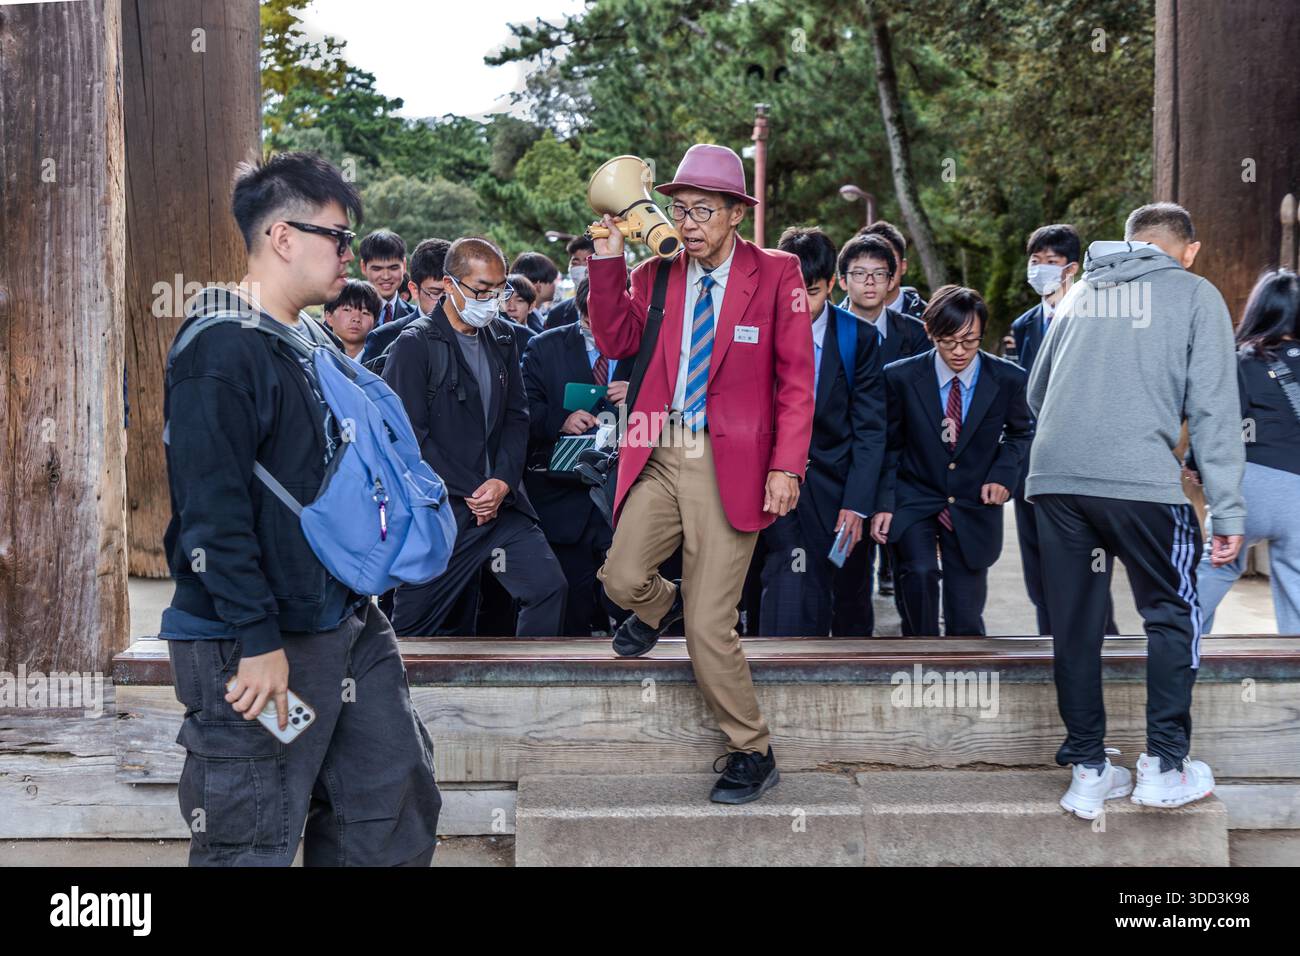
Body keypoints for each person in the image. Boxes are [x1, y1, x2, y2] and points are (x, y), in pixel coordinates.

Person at [159, 151, 441, 866]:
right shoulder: (220, 349)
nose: (351, 255)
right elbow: (210, 514)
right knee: (252, 828)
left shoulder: (308, 339)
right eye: (338, 238)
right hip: (257, 643)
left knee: (388, 801)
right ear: (282, 237)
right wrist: (255, 641)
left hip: (345, 623)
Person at [589, 143, 814, 804]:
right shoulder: (656, 272)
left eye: (703, 211)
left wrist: (786, 465)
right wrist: (608, 260)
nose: (688, 223)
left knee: (711, 628)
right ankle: (660, 604)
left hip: (733, 461)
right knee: (621, 577)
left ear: (735, 214)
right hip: (658, 448)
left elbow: (797, 380)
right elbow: (616, 343)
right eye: (680, 209)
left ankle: (752, 749)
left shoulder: (778, 273)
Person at [1027, 202, 1245, 819]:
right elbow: (1214, 410)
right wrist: (1226, 511)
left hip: (1056, 479)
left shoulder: (1081, 292)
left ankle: (1090, 770)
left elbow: (1037, 389)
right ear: (1188, 250)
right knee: (1173, 613)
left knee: (1074, 623)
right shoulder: (1195, 294)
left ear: (1126, 243)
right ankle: (1165, 766)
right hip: (1140, 483)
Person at [383, 236, 567, 637]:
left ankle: (532, 690)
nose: (491, 299)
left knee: (547, 588)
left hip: (502, 506)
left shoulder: (502, 338)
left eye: (498, 290)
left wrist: (501, 481)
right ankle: (402, 698)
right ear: (449, 285)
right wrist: (473, 489)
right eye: (481, 290)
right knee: (415, 628)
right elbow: (406, 438)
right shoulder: (414, 346)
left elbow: (518, 417)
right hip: (442, 510)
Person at [870, 285, 1033, 637]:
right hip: (915, 496)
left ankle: (966, 674)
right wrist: (883, 503)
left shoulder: (1008, 379)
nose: (959, 351)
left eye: (970, 341)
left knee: (966, 612)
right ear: (929, 332)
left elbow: (1021, 433)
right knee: (920, 574)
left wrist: (1003, 475)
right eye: (948, 341)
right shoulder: (899, 377)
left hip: (974, 502)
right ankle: (921, 655)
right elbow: (888, 445)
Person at [760, 226, 885, 636]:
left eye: (810, 292)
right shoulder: (757, 331)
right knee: (786, 579)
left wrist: (857, 502)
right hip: (767, 480)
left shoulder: (858, 338)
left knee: (839, 590)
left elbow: (870, 429)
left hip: (833, 487)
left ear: (832, 284)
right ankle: (780, 670)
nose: (798, 303)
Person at [1009, 224, 1120, 636]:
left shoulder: (1096, 317)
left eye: (1050, 263)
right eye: (1034, 262)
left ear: (1071, 268)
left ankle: (1103, 642)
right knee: (1038, 570)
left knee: (1088, 566)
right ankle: (1047, 645)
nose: (1039, 270)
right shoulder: (1023, 326)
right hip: (1032, 464)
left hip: (1082, 465)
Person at [1187, 269, 1300, 634]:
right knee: (1296, 579)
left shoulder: (1241, 359)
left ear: (1260, 310)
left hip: (1248, 484)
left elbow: (1219, 422)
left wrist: (1195, 463)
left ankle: (1182, 648)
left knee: (1217, 563)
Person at [522, 278, 631, 635]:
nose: (598, 333)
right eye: (588, 323)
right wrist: (559, 420)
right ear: (578, 312)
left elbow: (679, 409)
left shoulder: (646, 346)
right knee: (569, 606)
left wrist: (640, 395)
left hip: (627, 498)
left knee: (630, 598)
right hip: (562, 499)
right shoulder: (544, 347)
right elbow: (521, 411)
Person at [832, 233, 930, 634]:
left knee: (915, 574)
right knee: (848, 581)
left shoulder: (915, 334)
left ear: (893, 280)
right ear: (842, 280)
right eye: (859, 274)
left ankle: (923, 661)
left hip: (904, 474)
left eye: (879, 274)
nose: (869, 283)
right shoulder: (827, 330)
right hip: (845, 475)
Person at [360, 237, 450, 366]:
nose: (445, 302)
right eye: (435, 293)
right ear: (414, 289)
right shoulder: (384, 337)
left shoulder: (473, 334)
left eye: (452, 294)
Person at [858, 220, 927, 320]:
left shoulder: (929, 320)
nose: (880, 269)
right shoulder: (836, 320)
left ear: (903, 266)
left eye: (889, 259)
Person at [359, 229, 414, 328]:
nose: (386, 276)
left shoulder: (417, 318)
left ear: (404, 266)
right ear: (363, 267)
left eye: (393, 268)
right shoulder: (344, 316)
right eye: (377, 269)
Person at [544, 235, 595, 330]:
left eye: (588, 262)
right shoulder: (557, 313)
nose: (581, 268)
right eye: (575, 263)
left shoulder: (614, 307)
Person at [323, 278, 379, 360]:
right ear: (329, 317)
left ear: (375, 322)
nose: (356, 319)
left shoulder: (385, 362)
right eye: (347, 310)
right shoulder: (315, 359)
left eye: (365, 312)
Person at [510, 251, 560, 332]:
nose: (555, 285)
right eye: (553, 281)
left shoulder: (535, 317)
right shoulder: (525, 322)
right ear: (538, 285)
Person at [502, 272, 539, 358]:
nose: (511, 307)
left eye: (519, 300)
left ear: (531, 306)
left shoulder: (540, 339)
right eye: (505, 300)